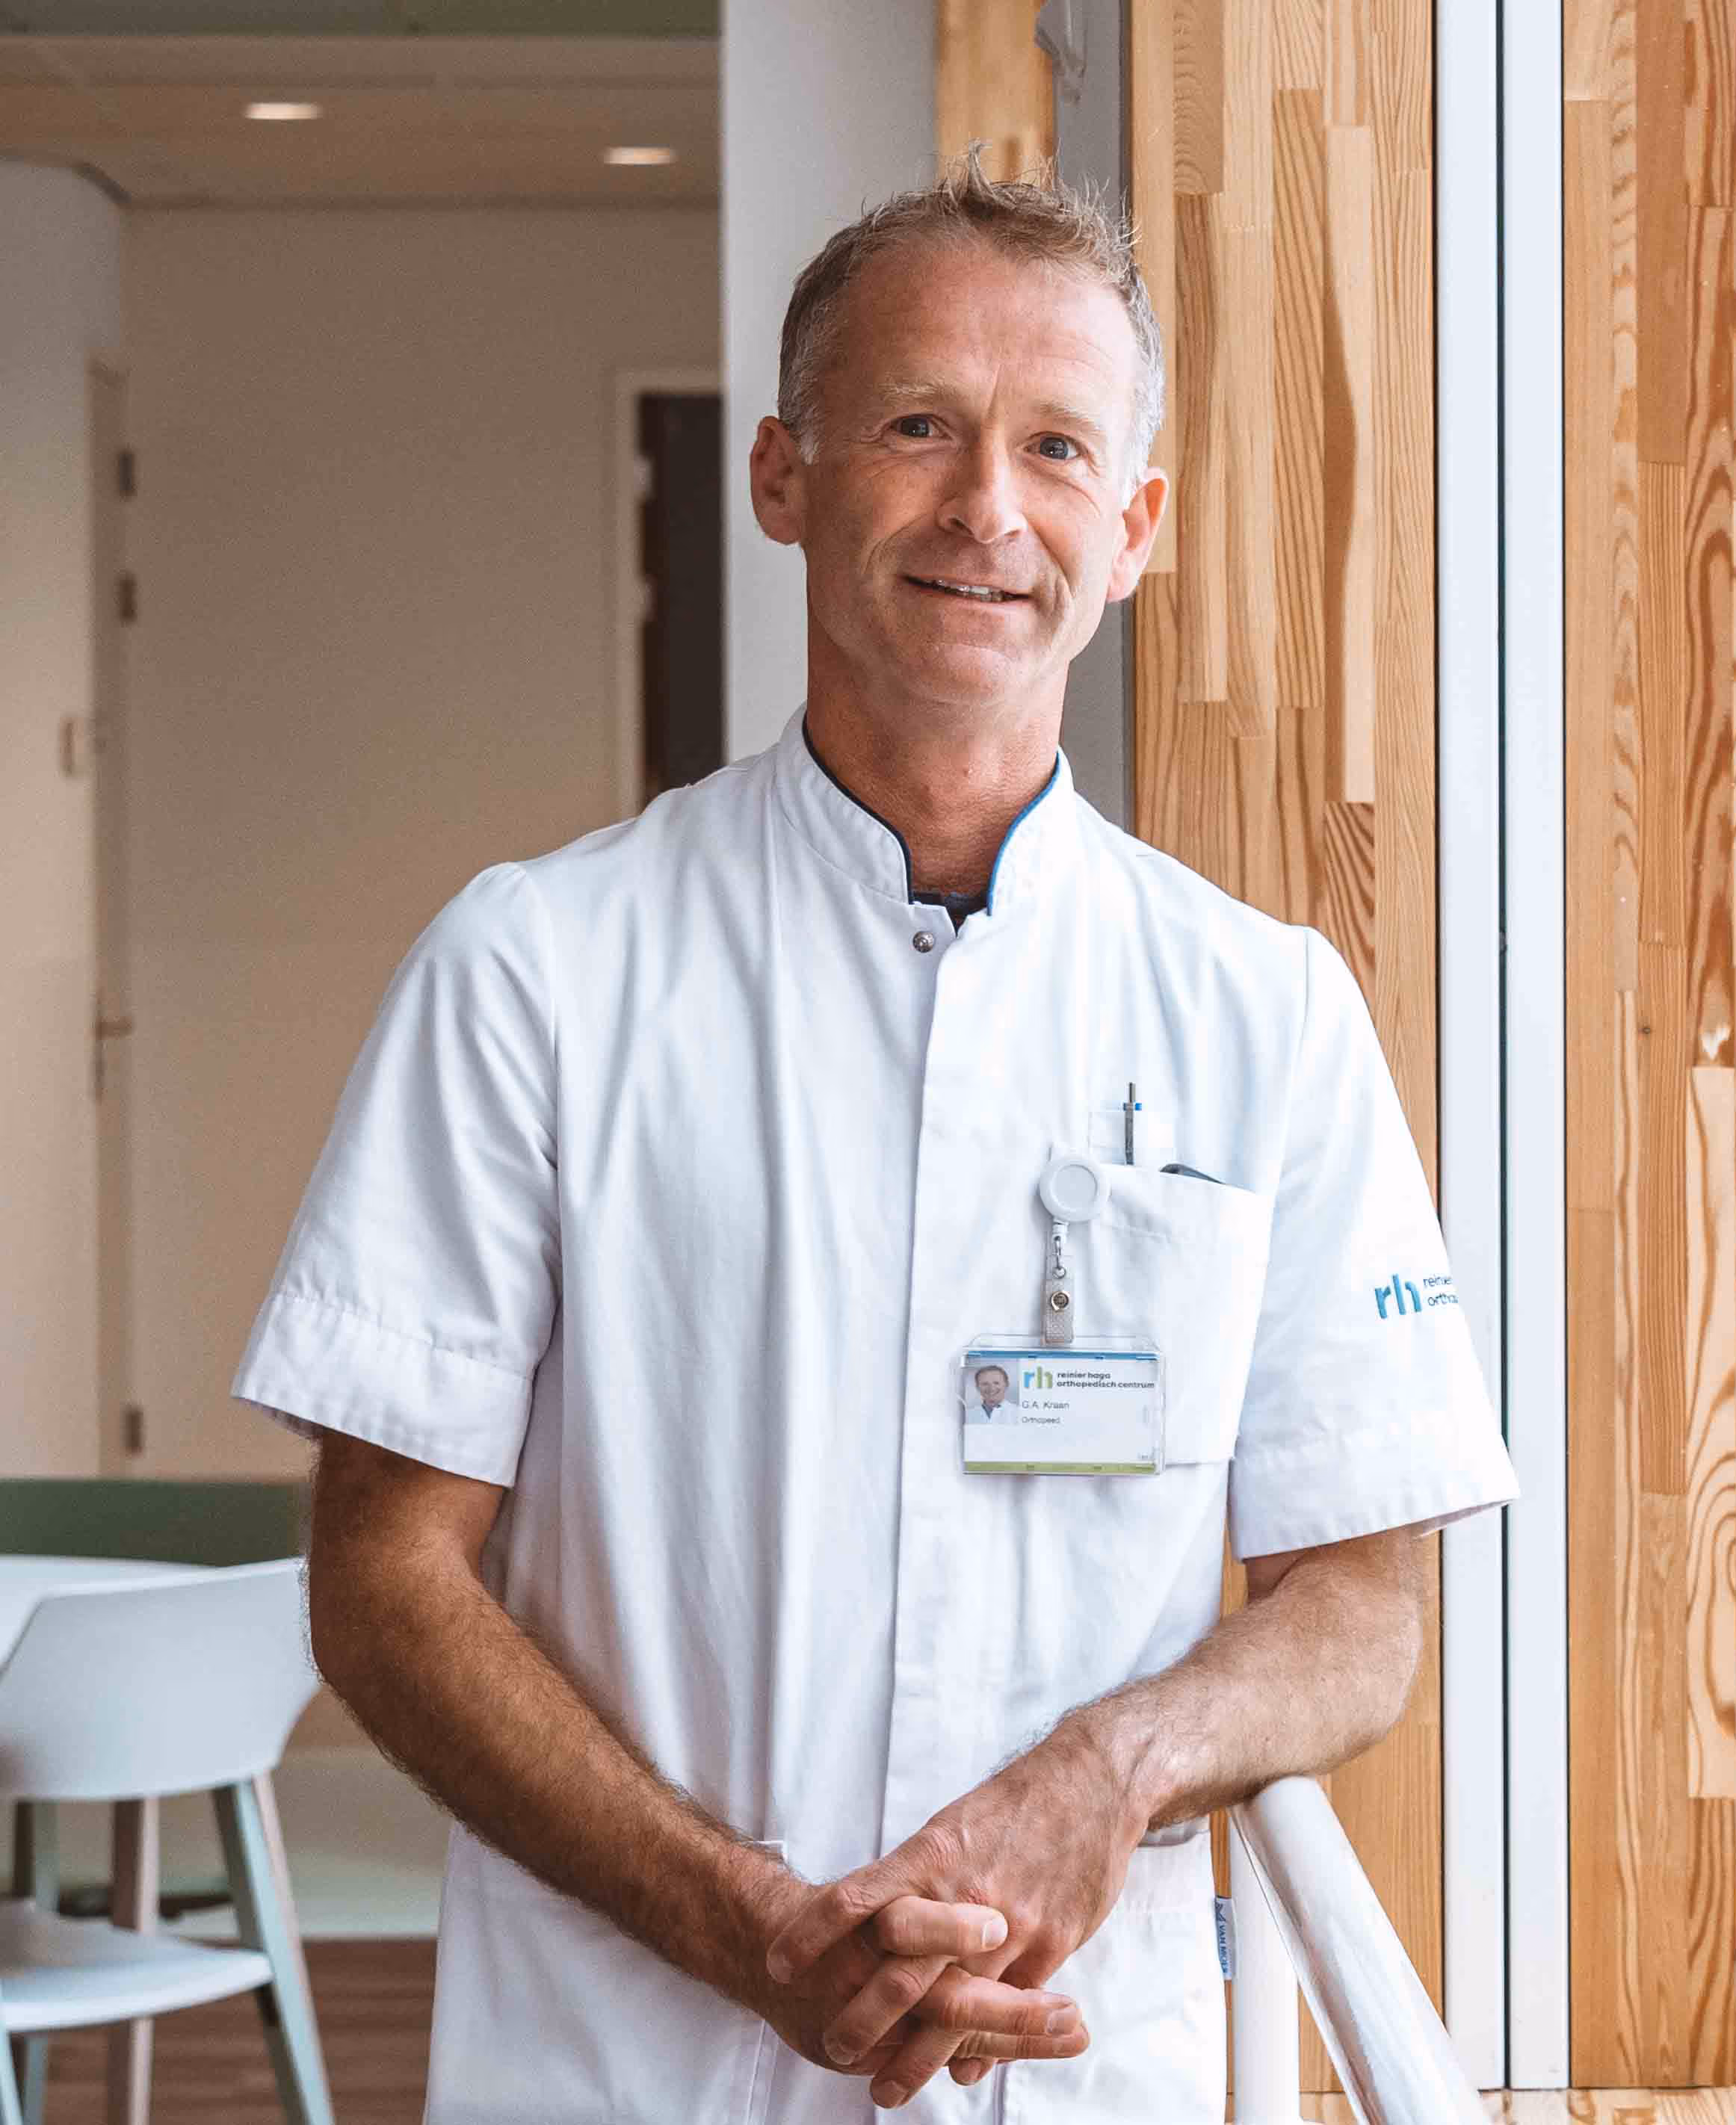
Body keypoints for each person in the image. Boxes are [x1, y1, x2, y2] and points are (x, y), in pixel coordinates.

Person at [237, 158, 1516, 2124]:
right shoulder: (537, 970)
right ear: (784, 476)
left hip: (1075, 2071)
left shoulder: (1264, 1013)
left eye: (1057, 446)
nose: (988, 507)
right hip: (632, 2067)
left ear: (1135, 526)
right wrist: (743, 1922)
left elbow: (1362, 1602)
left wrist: (1108, 1775)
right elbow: (385, 1576)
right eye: (919, 425)